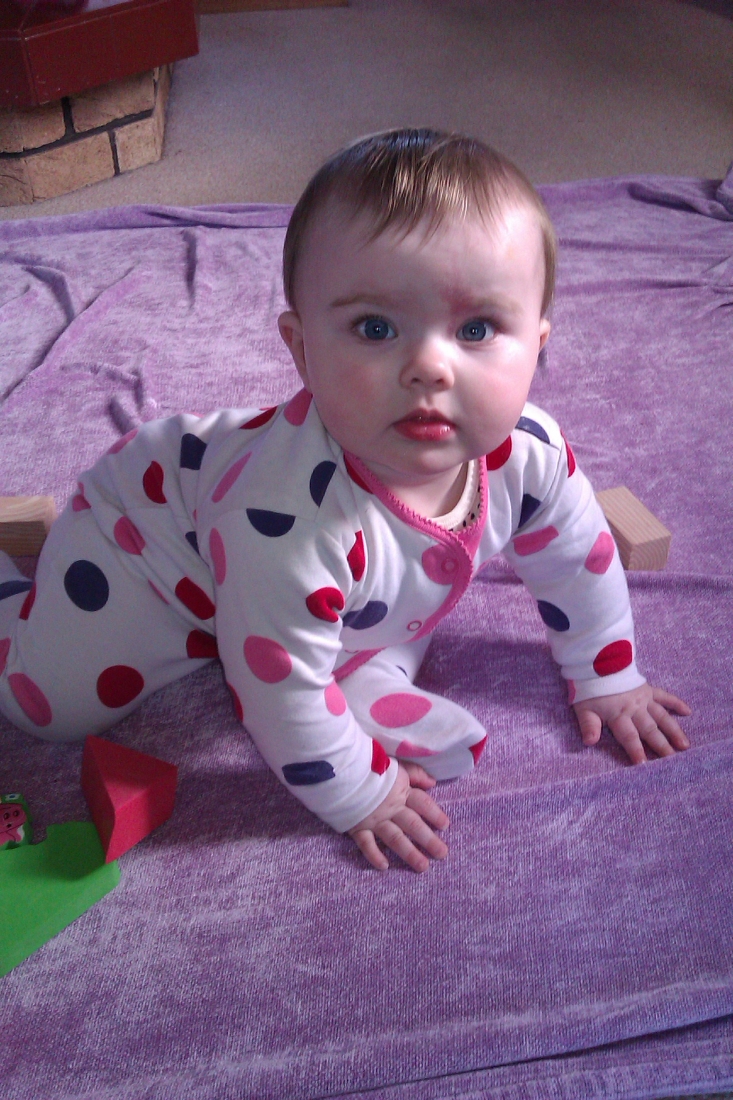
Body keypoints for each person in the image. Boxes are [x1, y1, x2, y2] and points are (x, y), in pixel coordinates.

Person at [0, 129, 690, 873]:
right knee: (47, 706)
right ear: (302, 351)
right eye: (375, 328)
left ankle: (354, 669)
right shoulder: (287, 526)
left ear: (539, 344)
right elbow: (278, 695)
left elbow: (578, 561)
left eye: (477, 328)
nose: (428, 366)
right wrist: (362, 792)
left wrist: (606, 673)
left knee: (350, 612)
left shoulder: (531, 453)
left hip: (309, 595)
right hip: (146, 548)